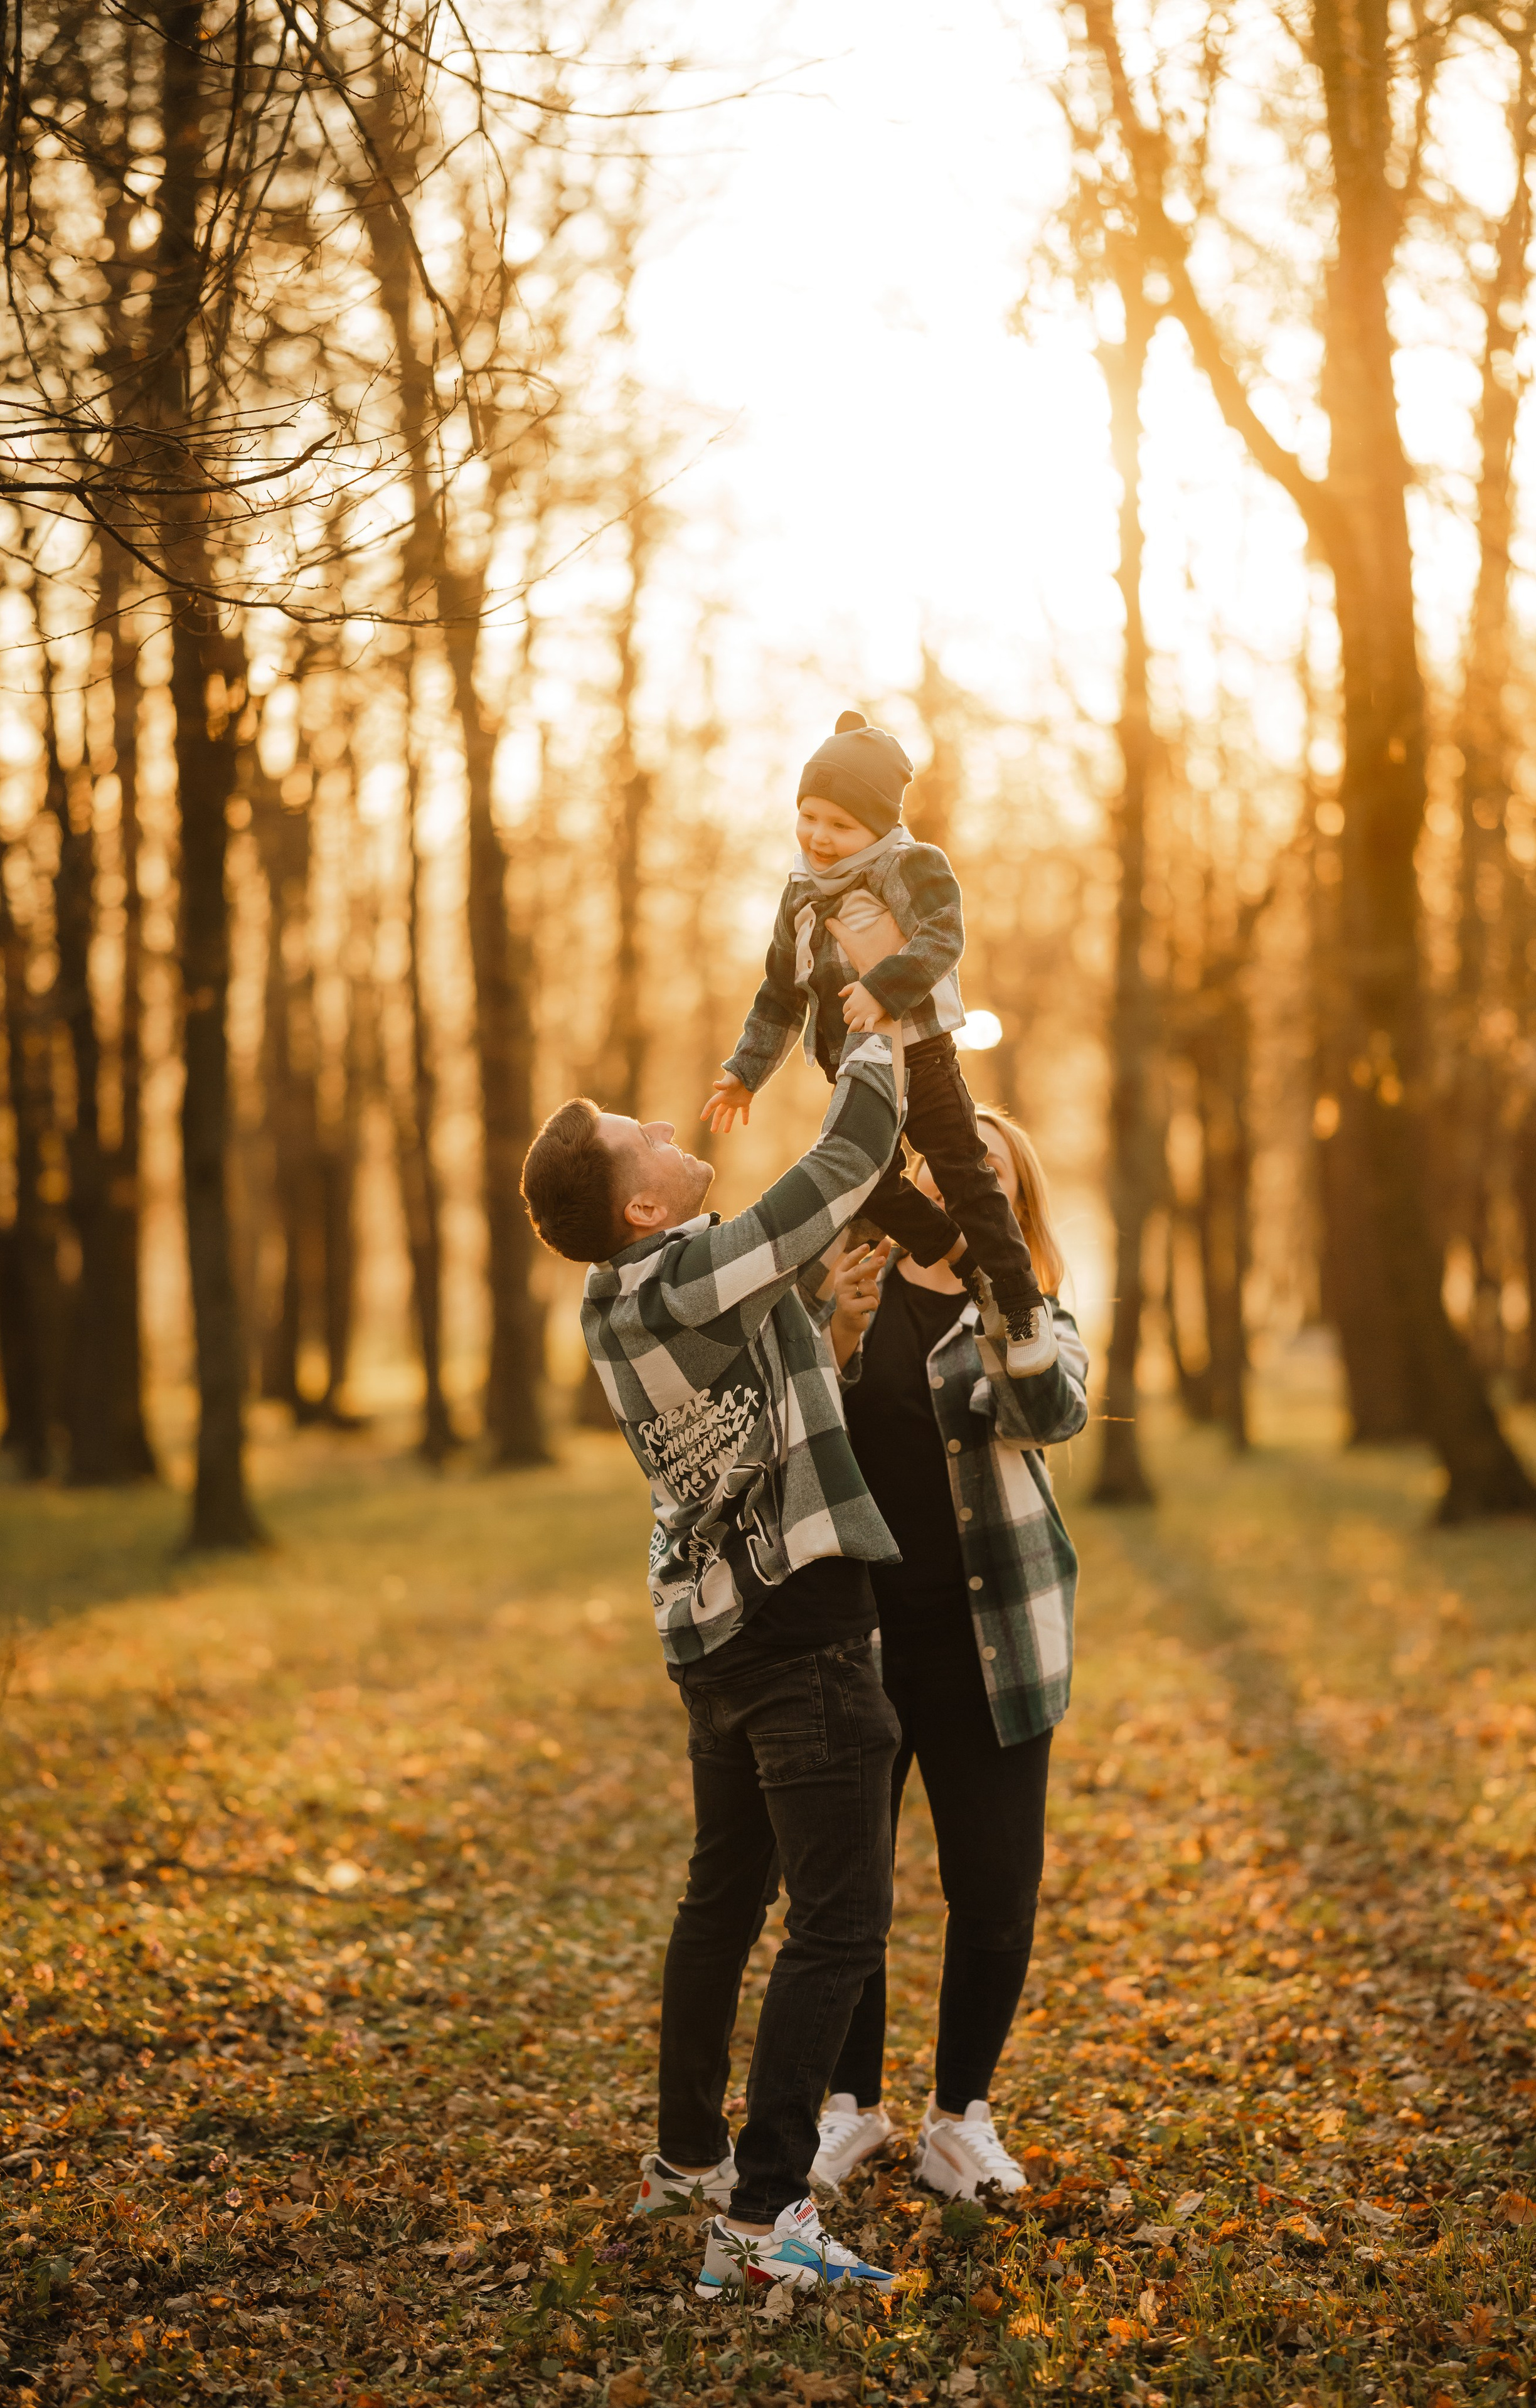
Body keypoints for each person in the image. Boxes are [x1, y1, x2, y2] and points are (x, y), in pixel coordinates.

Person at [520, 912, 951, 2301]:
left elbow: (749, 1388)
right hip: (795, 1628)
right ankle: (763, 2218)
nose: (664, 1120)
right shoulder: (681, 1265)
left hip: (713, 1632)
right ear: (640, 1204)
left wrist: (823, 1324)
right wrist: (875, 1032)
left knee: (724, 1895)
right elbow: (835, 1167)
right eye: (643, 1132)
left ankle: (685, 2159)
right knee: (837, 1922)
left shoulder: (618, 1297)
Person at [809, 1107, 1088, 2202]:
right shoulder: (844, 1288)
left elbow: (1050, 1405)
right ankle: (850, 2107)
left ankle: (959, 2117)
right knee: (847, 1892)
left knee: (997, 1889)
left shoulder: (1030, 1314)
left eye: (988, 1167)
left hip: (993, 1645)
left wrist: (994, 1284)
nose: (957, 1169)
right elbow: (790, 1430)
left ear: (1008, 1208)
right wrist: (832, 1329)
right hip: (849, 1646)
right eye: (940, 1155)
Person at [701, 710, 1057, 1378]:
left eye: (841, 825)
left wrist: (885, 987)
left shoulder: (908, 864)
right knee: (863, 1185)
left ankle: (1020, 1300)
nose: (820, 837)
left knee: (965, 1173)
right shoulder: (799, 895)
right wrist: (746, 1070)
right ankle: (964, 1260)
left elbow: (943, 935)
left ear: (878, 825)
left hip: (919, 1056)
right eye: (810, 816)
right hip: (854, 1076)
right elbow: (780, 994)